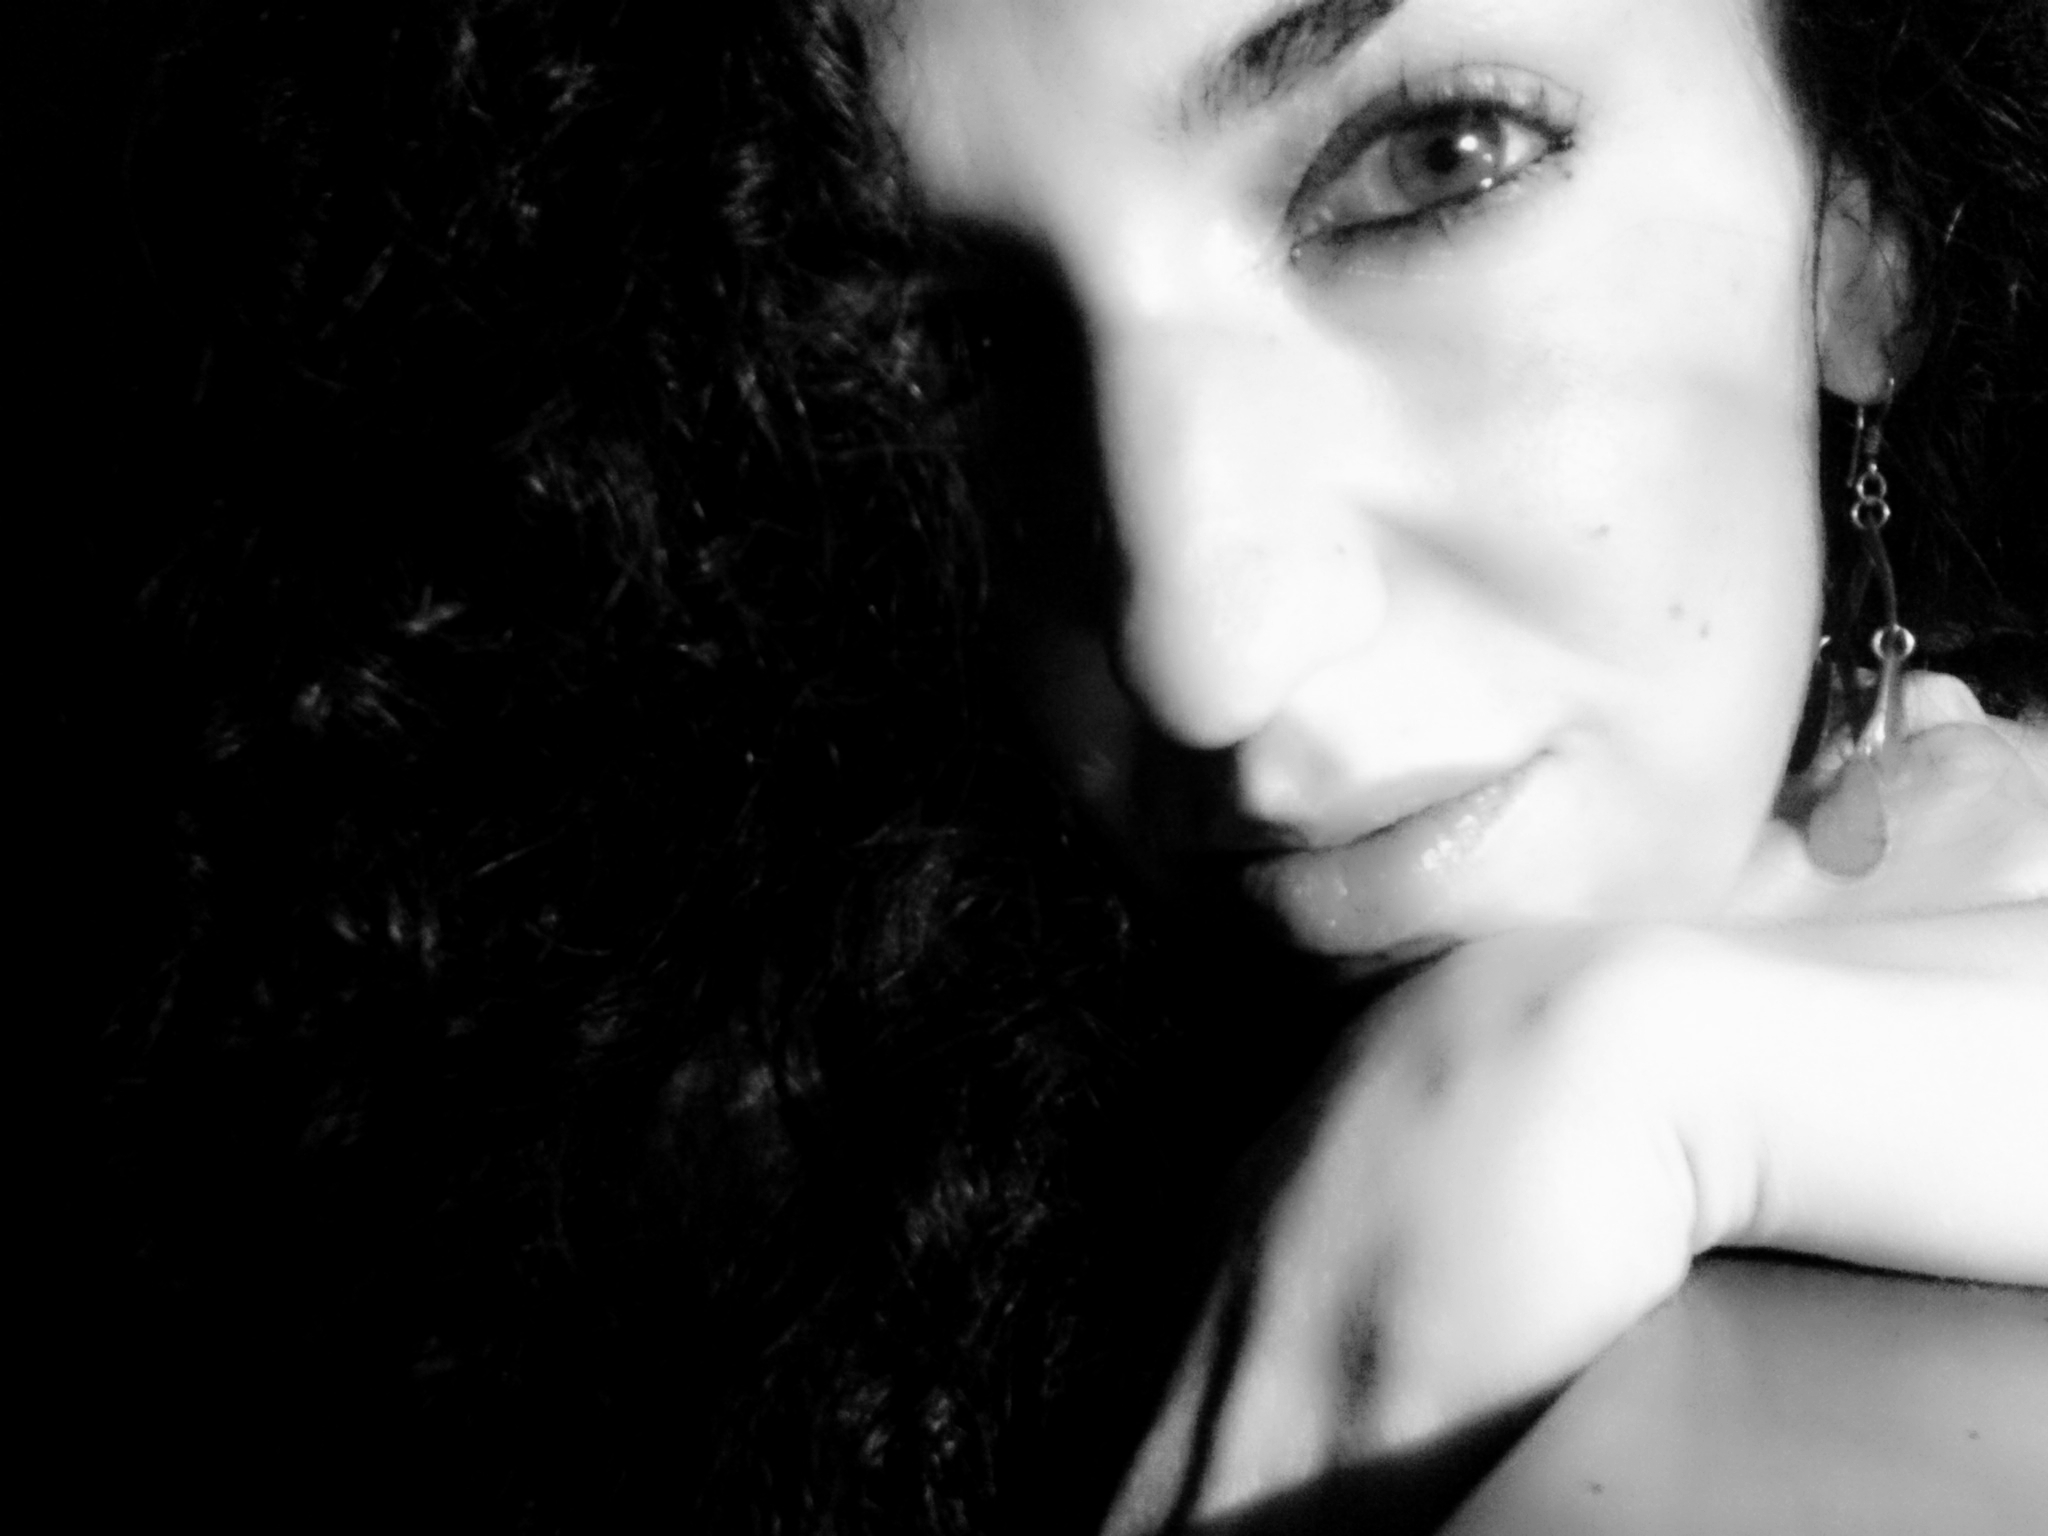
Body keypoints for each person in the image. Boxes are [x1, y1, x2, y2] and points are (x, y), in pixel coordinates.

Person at [47, 0, 2043, 1531]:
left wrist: (1624, 1072)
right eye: (947, 340)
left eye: (1427, 165)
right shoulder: (670, 1211)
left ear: (1861, 224)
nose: (1199, 638)